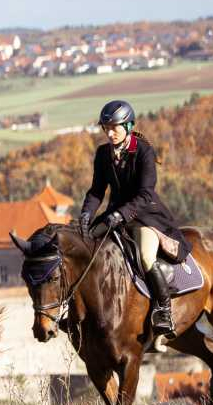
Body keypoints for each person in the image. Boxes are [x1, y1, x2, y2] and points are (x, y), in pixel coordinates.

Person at [79, 100, 190, 342]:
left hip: (144, 216)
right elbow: (96, 191)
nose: (109, 134)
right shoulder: (103, 154)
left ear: (129, 126)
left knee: (147, 257)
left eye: (114, 128)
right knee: (84, 245)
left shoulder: (144, 151)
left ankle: (163, 309)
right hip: (114, 215)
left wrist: (121, 214)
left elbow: (145, 193)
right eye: (106, 128)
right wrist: (86, 214)